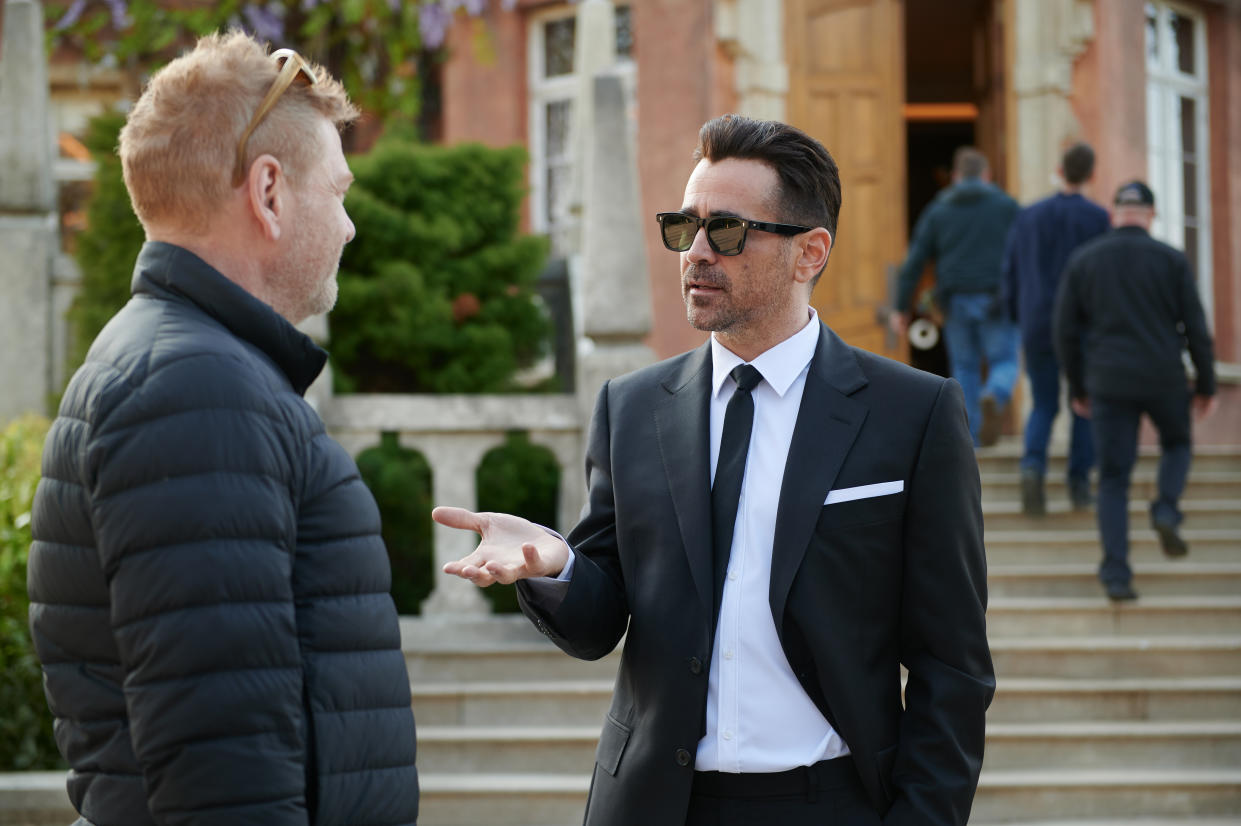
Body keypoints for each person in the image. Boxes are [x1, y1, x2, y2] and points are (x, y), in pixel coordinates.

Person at [434, 115, 993, 826]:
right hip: (656, 806)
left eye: (725, 231)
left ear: (809, 252)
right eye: (683, 227)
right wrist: (556, 566)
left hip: (830, 802)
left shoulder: (912, 413)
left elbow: (953, 665)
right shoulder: (632, 408)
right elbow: (598, 622)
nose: (695, 252)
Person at [27, 32, 419, 826]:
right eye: (337, 192)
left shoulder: (181, 365)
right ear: (268, 192)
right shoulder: (196, 390)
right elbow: (225, 767)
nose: (347, 227)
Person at [1054, 180, 1216, 602]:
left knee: (1112, 479)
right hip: (1163, 375)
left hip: (1108, 379)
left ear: (1114, 214)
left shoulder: (1085, 260)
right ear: (1151, 214)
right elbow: (1197, 329)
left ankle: (1116, 575)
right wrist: (1206, 383)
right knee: (1178, 445)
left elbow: (1065, 331)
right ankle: (1165, 507)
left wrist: (1078, 384)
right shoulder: (1172, 260)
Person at [1002, 142, 1111, 514]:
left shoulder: (1028, 216)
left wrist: (1018, 314)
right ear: (1092, 174)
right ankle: (1079, 483)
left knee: (1044, 404)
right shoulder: (1098, 218)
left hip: (1037, 323)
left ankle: (1033, 467)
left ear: (1060, 170)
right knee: (1084, 404)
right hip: (1083, 326)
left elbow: (1012, 271)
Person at [891, 146, 1020, 446]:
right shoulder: (1007, 207)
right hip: (998, 299)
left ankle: (971, 439)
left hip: (954, 301)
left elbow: (915, 261)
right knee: (1005, 361)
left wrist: (901, 307)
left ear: (956, 176)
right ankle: (996, 393)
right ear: (986, 175)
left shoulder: (939, 209)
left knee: (965, 368)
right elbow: (1026, 254)